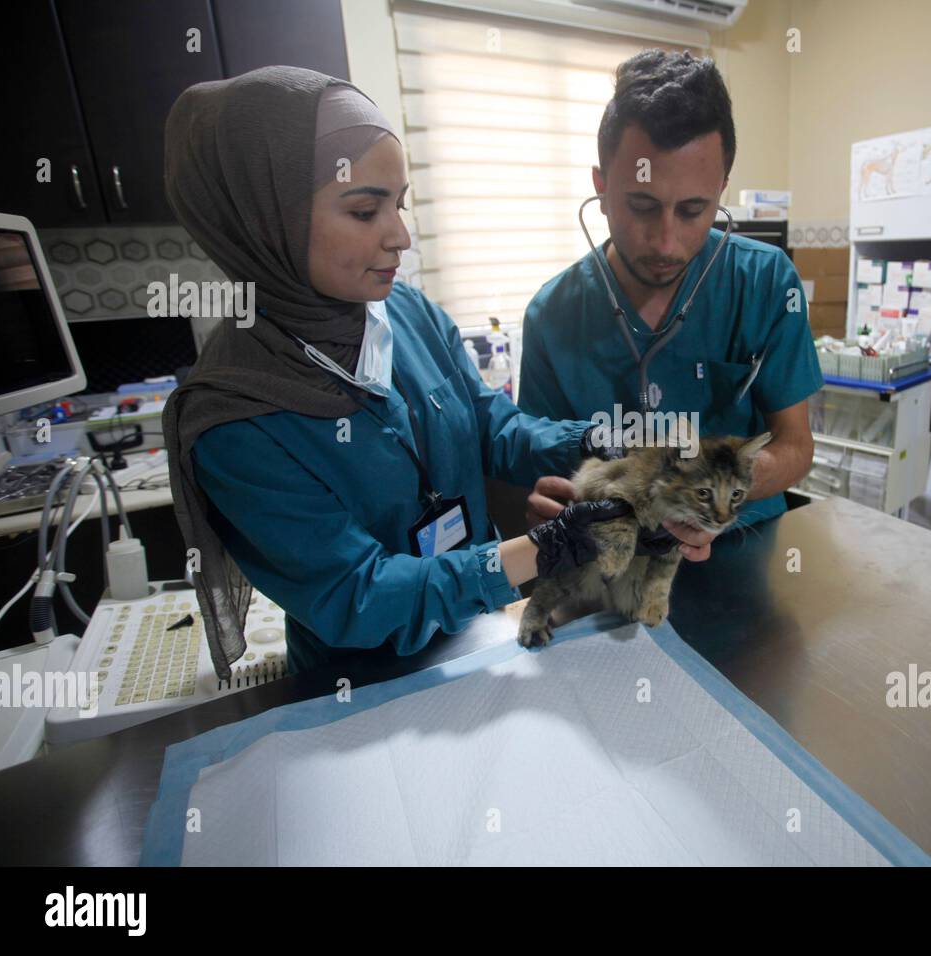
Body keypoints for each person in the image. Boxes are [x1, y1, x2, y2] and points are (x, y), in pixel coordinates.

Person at [160, 66, 704, 677]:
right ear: (267, 221)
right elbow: (358, 595)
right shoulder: (235, 420)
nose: (401, 236)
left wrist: (592, 442)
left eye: (401, 203)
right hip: (358, 681)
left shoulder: (404, 312)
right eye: (366, 211)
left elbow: (487, 424)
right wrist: (544, 550)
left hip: (477, 635)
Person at [519, 50, 821, 534]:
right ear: (600, 188)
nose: (665, 241)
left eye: (692, 210)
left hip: (737, 547)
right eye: (641, 205)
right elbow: (538, 461)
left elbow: (795, 445)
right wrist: (546, 502)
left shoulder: (765, 283)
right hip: (614, 558)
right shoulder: (551, 316)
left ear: (721, 189)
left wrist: (711, 498)